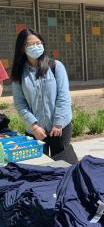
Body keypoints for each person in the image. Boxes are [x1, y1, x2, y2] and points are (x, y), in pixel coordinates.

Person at [11, 28, 78, 164]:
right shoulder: (19, 72)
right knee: (40, 166)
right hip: (35, 129)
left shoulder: (55, 66)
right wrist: (34, 127)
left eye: (38, 42)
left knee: (64, 165)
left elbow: (63, 96)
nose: (36, 46)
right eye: (30, 44)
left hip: (59, 127)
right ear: (22, 48)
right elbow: (20, 103)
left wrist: (58, 123)